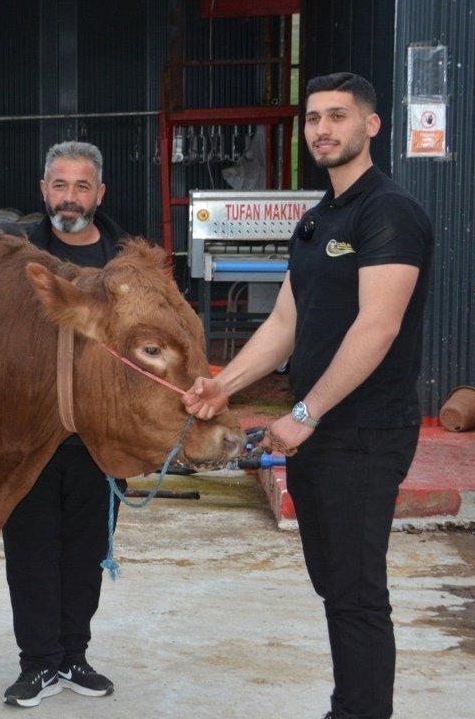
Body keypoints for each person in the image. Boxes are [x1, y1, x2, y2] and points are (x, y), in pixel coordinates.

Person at [182, 73, 433, 719]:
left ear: (370, 126)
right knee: (334, 584)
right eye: (314, 118)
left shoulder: (390, 212)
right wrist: (223, 384)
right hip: (320, 434)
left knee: (355, 592)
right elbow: (284, 325)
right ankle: (350, 705)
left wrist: (303, 413)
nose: (323, 129)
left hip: (367, 432)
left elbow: (378, 326)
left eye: (338, 117)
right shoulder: (317, 220)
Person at [1, 140, 129, 708]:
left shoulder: (130, 264)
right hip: (29, 437)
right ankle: (39, 664)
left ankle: (74, 655)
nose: (69, 197)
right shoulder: (15, 260)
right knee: (30, 550)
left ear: (99, 194)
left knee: (87, 550)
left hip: (102, 440)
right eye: (59, 184)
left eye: (81, 186)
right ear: (43, 190)